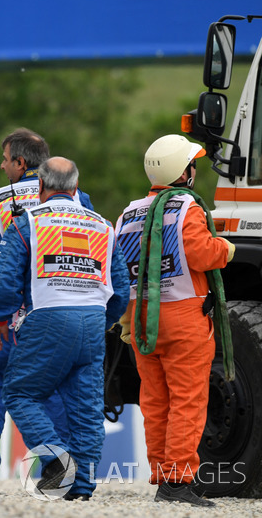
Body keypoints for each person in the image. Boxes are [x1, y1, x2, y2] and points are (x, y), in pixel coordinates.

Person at [0, 129, 92, 492]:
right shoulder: (79, 198)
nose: (1, 167)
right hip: (57, 310)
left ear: (20, 162)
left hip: (5, 310)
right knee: (53, 387)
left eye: (4, 160)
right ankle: (61, 467)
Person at [0, 157, 129, 501]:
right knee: (86, 408)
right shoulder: (102, 225)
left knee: (20, 393)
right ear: (76, 188)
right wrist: (104, 320)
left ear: (40, 188)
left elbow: (4, 281)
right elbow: (122, 288)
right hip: (93, 321)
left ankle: (55, 461)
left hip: (48, 318)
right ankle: (81, 488)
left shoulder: (28, 222)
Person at [115, 135, 234, 507]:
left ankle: (162, 475)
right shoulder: (187, 207)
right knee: (187, 400)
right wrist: (226, 248)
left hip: (141, 320)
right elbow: (201, 254)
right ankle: (178, 481)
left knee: (155, 400)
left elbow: (120, 267)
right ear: (184, 172)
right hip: (184, 319)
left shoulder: (128, 212)